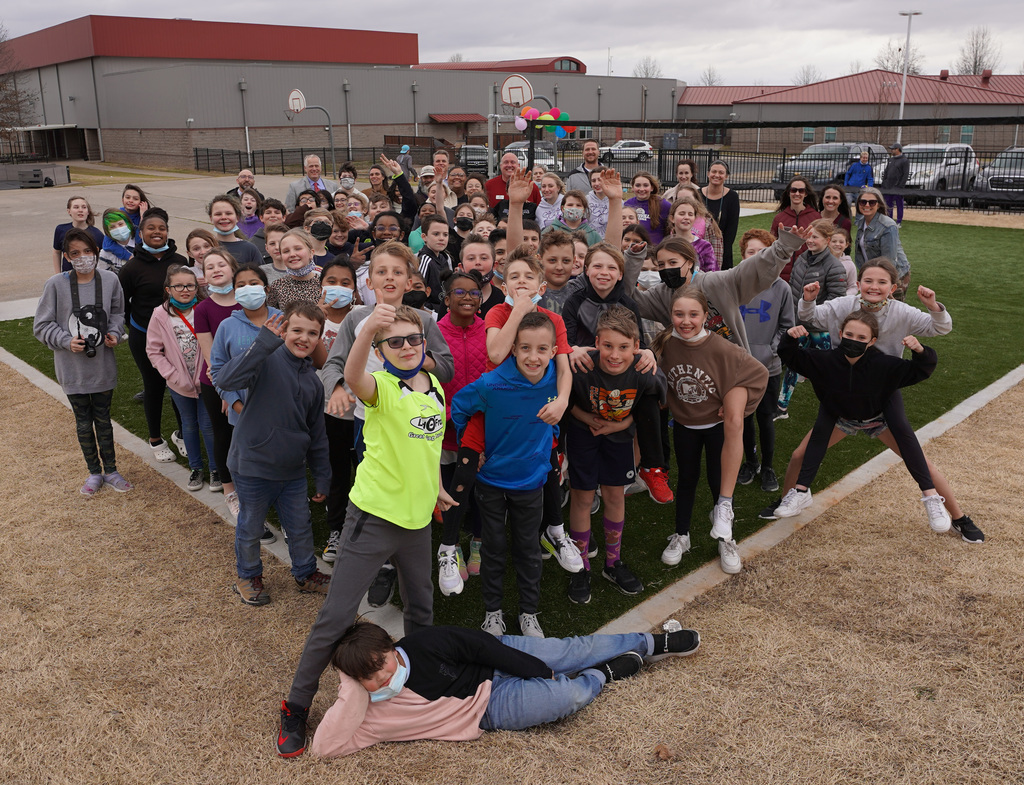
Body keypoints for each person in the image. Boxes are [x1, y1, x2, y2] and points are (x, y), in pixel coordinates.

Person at [276, 294, 457, 757]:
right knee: (336, 617)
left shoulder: (434, 387)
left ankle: (417, 681)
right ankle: (295, 705)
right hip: (373, 519)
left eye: (413, 339)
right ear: (380, 348)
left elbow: (428, 447)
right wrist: (366, 332)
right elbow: (351, 377)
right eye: (393, 342)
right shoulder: (379, 385)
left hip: (417, 521)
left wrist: (435, 486)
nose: (407, 347)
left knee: (421, 608)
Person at [773, 258, 984, 543]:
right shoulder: (843, 305)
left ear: (893, 288)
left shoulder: (902, 312)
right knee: (800, 454)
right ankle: (790, 498)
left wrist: (934, 306)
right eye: (868, 281)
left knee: (917, 458)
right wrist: (808, 300)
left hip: (881, 393)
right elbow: (812, 317)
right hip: (844, 392)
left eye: (882, 282)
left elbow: (940, 329)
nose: (874, 286)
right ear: (858, 284)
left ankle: (958, 517)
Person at [305, 619, 701, 758]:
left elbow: (481, 646)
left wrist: (538, 671)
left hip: (498, 656)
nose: (379, 680)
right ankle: (607, 674)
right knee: (568, 696)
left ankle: (651, 644)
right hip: (487, 708)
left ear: (392, 648)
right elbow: (323, 748)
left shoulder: (424, 643)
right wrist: (351, 682)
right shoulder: (366, 714)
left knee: (569, 651)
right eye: (366, 678)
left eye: (380, 666)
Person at [320, 242, 455, 605]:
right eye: (382, 271)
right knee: (376, 498)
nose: (390, 278)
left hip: (412, 428)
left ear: (409, 279)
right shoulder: (355, 318)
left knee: (407, 498)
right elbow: (334, 364)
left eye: (398, 271)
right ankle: (379, 567)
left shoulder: (423, 321)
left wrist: (411, 352)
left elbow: (446, 366)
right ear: (370, 279)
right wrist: (336, 388)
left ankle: (401, 566)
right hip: (369, 424)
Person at [452, 311, 574, 638]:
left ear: (553, 351)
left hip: (531, 482)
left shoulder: (557, 380)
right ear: (514, 349)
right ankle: (493, 613)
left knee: (528, 548)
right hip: (490, 481)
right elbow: (459, 408)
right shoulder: (492, 383)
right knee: (492, 548)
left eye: (542, 350)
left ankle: (528, 613)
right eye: (525, 349)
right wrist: (472, 447)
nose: (533, 357)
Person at [775, 312, 951, 534]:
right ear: (840, 334)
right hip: (843, 418)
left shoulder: (884, 364)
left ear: (872, 341)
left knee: (913, 449)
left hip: (878, 418)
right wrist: (790, 337)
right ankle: (798, 493)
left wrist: (920, 351)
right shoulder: (824, 360)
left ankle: (935, 500)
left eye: (861, 338)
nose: (853, 340)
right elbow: (790, 356)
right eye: (849, 334)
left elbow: (920, 370)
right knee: (806, 447)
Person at [216, 301, 333, 607]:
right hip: (252, 463)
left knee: (299, 524)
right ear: (283, 329)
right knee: (251, 524)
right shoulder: (265, 359)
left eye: (312, 333)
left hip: (291, 470)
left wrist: (322, 476)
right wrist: (263, 343)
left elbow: (317, 434)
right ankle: (248, 575)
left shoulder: (313, 382)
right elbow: (226, 381)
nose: (303, 338)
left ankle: (306, 573)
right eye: (296, 330)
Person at [654, 286, 768, 575]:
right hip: (684, 425)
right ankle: (682, 535)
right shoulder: (665, 343)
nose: (686, 320)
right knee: (687, 479)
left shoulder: (721, 347)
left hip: (715, 427)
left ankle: (727, 539)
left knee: (718, 482)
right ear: (671, 315)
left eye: (694, 314)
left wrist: (743, 407)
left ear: (706, 315)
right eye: (679, 314)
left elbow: (759, 374)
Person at [565, 306, 667, 604]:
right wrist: (587, 419)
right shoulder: (582, 366)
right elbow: (563, 399)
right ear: (596, 342)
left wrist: (624, 423)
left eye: (624, 347)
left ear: (637, 347)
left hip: (620, 439)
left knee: (614, 496)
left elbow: (653, 405)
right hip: (584, 435)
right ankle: (580, 566)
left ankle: (612, 563)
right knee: (582, 498)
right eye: (608, 346)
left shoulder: (643, 370)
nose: (614, 354)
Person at [34, 228, 131, 496]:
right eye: (75, 253)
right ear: (66, 256)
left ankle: (110, 470)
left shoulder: (110, 280)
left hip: (102, 367)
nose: (83, 258)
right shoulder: (55, 284)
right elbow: (41, 325)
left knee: (103, 419)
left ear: (97, 252)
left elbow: (117, 313)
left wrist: (113, 333)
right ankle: (93, 472)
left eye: (88, 251)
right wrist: (66, 341)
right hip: (71, 369)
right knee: (82, 421)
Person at [208, 265, 281, 539]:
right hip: (243, 415)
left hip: (280, 413)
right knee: (249, 470)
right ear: (234, 290)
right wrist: (238, 405)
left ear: (266, 287)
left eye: (254, 282)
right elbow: (218, 371)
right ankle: (254, 517)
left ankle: (286, 515)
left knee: (278, 465)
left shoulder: (283, 320)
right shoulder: (227, 326)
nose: (248, 288)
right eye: (241, 284)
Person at [119, 207, 187, 462]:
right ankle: (156, 439)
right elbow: (122, 304)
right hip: (144, 336)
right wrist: (138, 327)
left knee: (180, 384)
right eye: (151, 228)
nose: (157, 232)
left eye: (162, 228)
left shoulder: (180, 261)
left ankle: (181, 434)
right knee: (154, 386)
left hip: (179, 335)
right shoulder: (132, 267)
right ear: (141, 233)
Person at [435, 269, 488, 584]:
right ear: (446, 299)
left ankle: (478, 543)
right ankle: (451, 545)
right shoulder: (435, 331)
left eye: (474, 292)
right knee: (452, 490)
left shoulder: (491, 330)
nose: (468, 297)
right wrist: (452, 414)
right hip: (446, 431)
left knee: (482, 491)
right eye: (460, 291)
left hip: (481, 429)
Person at [145, 264, 217, 492]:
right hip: (179, 384)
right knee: (189, 424)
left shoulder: (205, 309)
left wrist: (208, 372)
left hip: (206, 381)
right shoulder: (160, 314)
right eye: (178, 286)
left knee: (208, 425)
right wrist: (173, 376)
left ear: (197, 287)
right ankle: (196, 468)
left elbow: (215, 343)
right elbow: (154, 351)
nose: (185, 290)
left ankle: (216, 469)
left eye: (190, 285)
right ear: (168, 289)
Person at [735, 230, 793, 494]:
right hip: (738, 367)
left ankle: (768, 466)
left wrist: (770, 351)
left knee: (765, 417)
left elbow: (787, 326)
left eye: (762, 252)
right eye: (750, 252)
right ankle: (750, 461)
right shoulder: (733, 282)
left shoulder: (781, 287)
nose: (756, 257)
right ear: (743, 255)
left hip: (768, 366)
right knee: (743, 418)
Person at [776, 218, 849, 418]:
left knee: (827, 371)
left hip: (819, 331)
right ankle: (781, 406)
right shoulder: (801, 258)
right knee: (793, 365)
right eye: (809, 236)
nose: (810, 240)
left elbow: (837, 301)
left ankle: (837, 406)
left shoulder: (835, 267)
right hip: (798, 325)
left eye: (815, 237)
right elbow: (792, 288)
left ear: (827, 240)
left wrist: (814, 316)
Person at [854, 186, 910, 299]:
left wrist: (886, 284)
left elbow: (889, 260)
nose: (867, 205)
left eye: (872, 202)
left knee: (891, 312)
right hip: (873, 274)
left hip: (893, 275)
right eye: (863, 202)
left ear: (878, 204)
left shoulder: (888, 226)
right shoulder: (861, 222)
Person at [770, 177, 821, 282]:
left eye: (801, 190)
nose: (797, 193)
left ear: (806, 194)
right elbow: (772, 245)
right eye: (793, 190)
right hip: (782, 274)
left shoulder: (816, 217)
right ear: (788, 193)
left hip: (806, 274)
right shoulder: (779, 218)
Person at [268, 229, 325, 309]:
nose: (292, 254)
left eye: (298, 249)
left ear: (311, 252)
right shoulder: (277, 286)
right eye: (286, 251)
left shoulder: (323, 283)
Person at [701, 161, 740, 270]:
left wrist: (721, 253)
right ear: (708, 173)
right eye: (714, 171)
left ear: (726, 176)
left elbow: (732, 229)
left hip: (723, 250)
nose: (717, 175)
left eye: (721, 172)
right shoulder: (697, 194)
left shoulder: (732, 197)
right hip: (700, 249)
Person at [206, 195, 263, 268]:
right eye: (218, 214)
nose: (223, 217)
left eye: (228, 213)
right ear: (211, 218)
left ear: (237, 217)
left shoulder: (249, 249)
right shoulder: (206, 248)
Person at [53, 196, 103, 274]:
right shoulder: (60, 230)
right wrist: (57, 274)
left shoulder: (97, 234)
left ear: (88, 211)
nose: (80, 210)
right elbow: (56, 252)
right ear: (69, 211)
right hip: (67, 276)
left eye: (84, 207)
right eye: (76, 207)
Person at [668, 198, 717, 272]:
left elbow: (712, 274)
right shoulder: (667, 246)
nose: (686, 217)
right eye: (682, 214)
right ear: (672, 218)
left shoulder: (704, 246)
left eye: (690, 214)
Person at [486, 153, 541, 217]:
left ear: (518, 165)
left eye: (512, 162)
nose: (509, 165)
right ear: (500, 166)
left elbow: (539, 211)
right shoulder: (489, 186)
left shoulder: (531, 186)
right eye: (506, 162)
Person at [625, 172, 671, 245]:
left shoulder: (663, 204)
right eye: (638, 185)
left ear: (652, 188)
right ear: (632, 188)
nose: (641, 189)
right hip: (632, 249)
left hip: (654, 249)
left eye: (645, 185)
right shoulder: (628, 204)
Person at [881, 142, 910, 225]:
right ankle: (890, 221)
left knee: (899, 204)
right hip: (888, 186)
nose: (891, 150)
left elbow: (905, 174)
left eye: (893, 149)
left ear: (898, 149)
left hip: (897, 187)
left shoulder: (904, 160)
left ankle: (899, 221)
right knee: (888, 204)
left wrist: (901, 185)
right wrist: (884, 182)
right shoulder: (891, 159)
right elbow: (886, 172)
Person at [98, 208, 135, 273]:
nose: (118, 229)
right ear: (108, 232)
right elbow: (104, 278)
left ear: (127, 223)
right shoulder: (105, 254)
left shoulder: (142, 242)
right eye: (112, 227)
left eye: (120, 224)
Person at [828, 227, 858, 295]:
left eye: (841, 242)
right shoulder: (822, 260)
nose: (837, 244)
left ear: (846, 245)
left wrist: (844, 296)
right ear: (828, 242)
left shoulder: (850, 265)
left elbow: (853, 287)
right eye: (834, 241)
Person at [586, 167, 610, 236]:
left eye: (600, 180)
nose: (597, 183)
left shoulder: (617, 201)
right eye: (593, 181)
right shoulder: (585, 200)